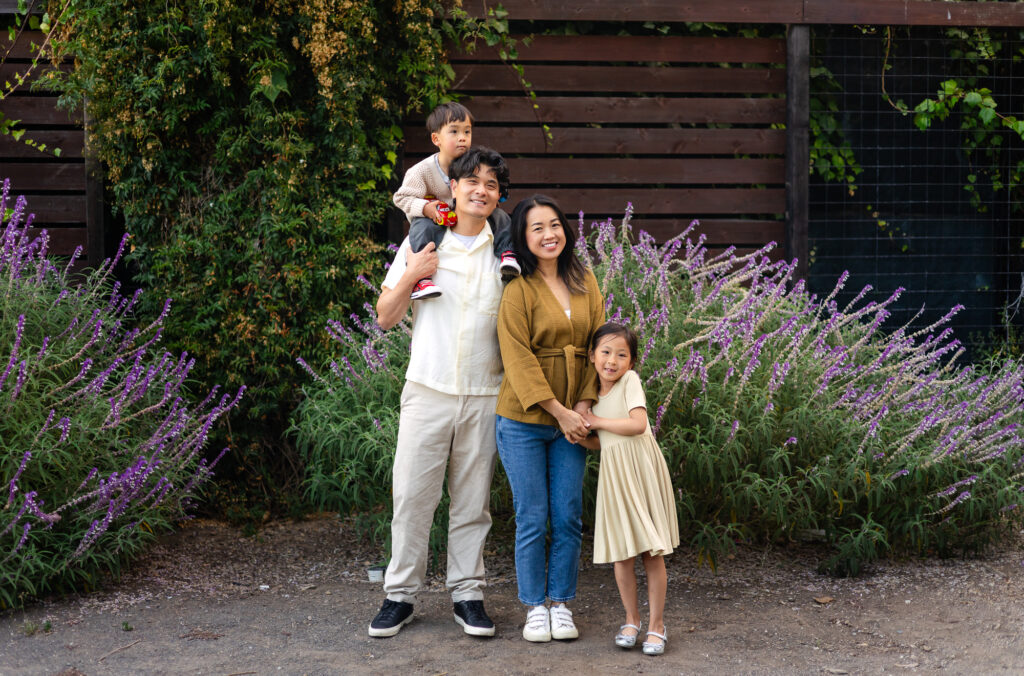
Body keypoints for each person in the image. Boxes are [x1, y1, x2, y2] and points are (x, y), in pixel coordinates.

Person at [369, 146, 511, 639]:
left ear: (498, 196)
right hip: (427, 388)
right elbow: (385, 316)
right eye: (472, 181)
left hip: (485, 392)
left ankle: (468, 594)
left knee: (473, 502)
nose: (480, 190)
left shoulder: (506, 254)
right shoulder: (424, 241)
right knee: (411, 496)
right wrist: (413, 273)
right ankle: (399, 596)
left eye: (491, 185)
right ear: (452, 187)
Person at [495, 194, 605, 643]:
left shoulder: (585, 279)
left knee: (567, 515)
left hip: (572, 420)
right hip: (523, 419)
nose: (548, 234)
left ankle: (561, 602)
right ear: (523, 237)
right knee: (532, 515)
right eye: (536, 227)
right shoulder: (517, 287)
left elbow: (600, 344)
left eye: (554, 225)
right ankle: (533, 606)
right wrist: (559, 411)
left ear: (566, 230)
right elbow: (517, 357)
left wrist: (583, 404)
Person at [577, 322, 680, 656]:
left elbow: (637, 425)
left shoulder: (629, 382)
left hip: (641, 472)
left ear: (632, 362)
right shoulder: (591, 392)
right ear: (592, 356)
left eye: (622, 354)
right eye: (605, 352)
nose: (612, 360)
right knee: (622, 555)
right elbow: (601, 442)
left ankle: (657, 625)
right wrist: (582, 435)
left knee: (651, 551)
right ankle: (631, 619)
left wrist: (597, 421)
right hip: (615, 477)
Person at [392, 102, 519, 300]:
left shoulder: (472, 164)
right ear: (436, 139)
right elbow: (401, 197)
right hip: (433, 217)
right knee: (421, 229)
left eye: (467, 132)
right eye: (454, 131)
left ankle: (508, 254)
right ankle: (421, 279)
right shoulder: (421, 171)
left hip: (463, 219)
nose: (463, 138)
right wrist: (425, 208)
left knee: (500, 217)